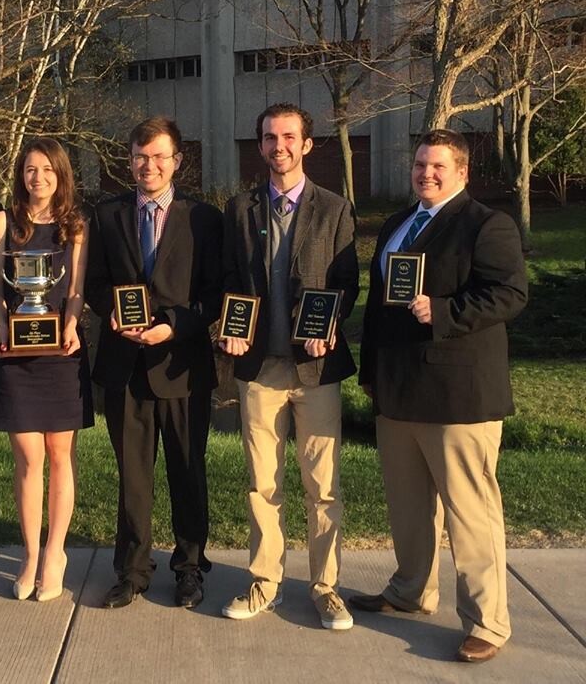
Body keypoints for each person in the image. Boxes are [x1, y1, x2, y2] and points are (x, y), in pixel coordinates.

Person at [350, 129, 528, 662]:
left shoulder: (486, 225)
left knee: (470, 514)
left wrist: (444, 312)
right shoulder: (396, 225)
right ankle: (409, 592)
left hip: (457, 396)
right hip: (398, 390)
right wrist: (370, 371)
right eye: (420, 165)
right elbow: (381, 307)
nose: (426, 174)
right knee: (408, 509)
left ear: (462, 172)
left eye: (437, 167)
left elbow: (510, 293)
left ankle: (488, 623)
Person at [218, 103, 359, 630]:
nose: (279, 146)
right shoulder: (240, 209)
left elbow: (347, 284)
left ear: (307, 143)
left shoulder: (335, 208)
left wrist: (331, 323)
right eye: (270, 137)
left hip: (315, 369)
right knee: (262, 482)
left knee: (322, 486)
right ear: (259, 146)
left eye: (289, 137)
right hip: (261, 368)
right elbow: (231, 279)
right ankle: (265, 582)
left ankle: (326, 588)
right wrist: (227, 326)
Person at [86, 116, 223, 609]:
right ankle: (132, 570)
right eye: (141, 157)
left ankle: (189, 567)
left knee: (188, 472)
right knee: (133, 477)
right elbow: (96, 286)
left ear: (177, 161)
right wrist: (113, 315)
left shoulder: (203, 219)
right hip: (124, 367)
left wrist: (173, 325)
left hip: (182, 365)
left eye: (160, 157)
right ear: (129, 160)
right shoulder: (106, 215)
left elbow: (214, 294)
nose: (150, 165)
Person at [0, 138, 94, 602]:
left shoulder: (76, 226)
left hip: (61, 358)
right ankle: (30, 554)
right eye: (31, 169)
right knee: (28, 458)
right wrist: (3, 326)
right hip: (16, 354)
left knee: (59, 454)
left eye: (48, 170)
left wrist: (70, 326)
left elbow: (76, 291)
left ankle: (55, 553)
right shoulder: (3, 222)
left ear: (61, 174)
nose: (39, 178)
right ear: (20, 174)